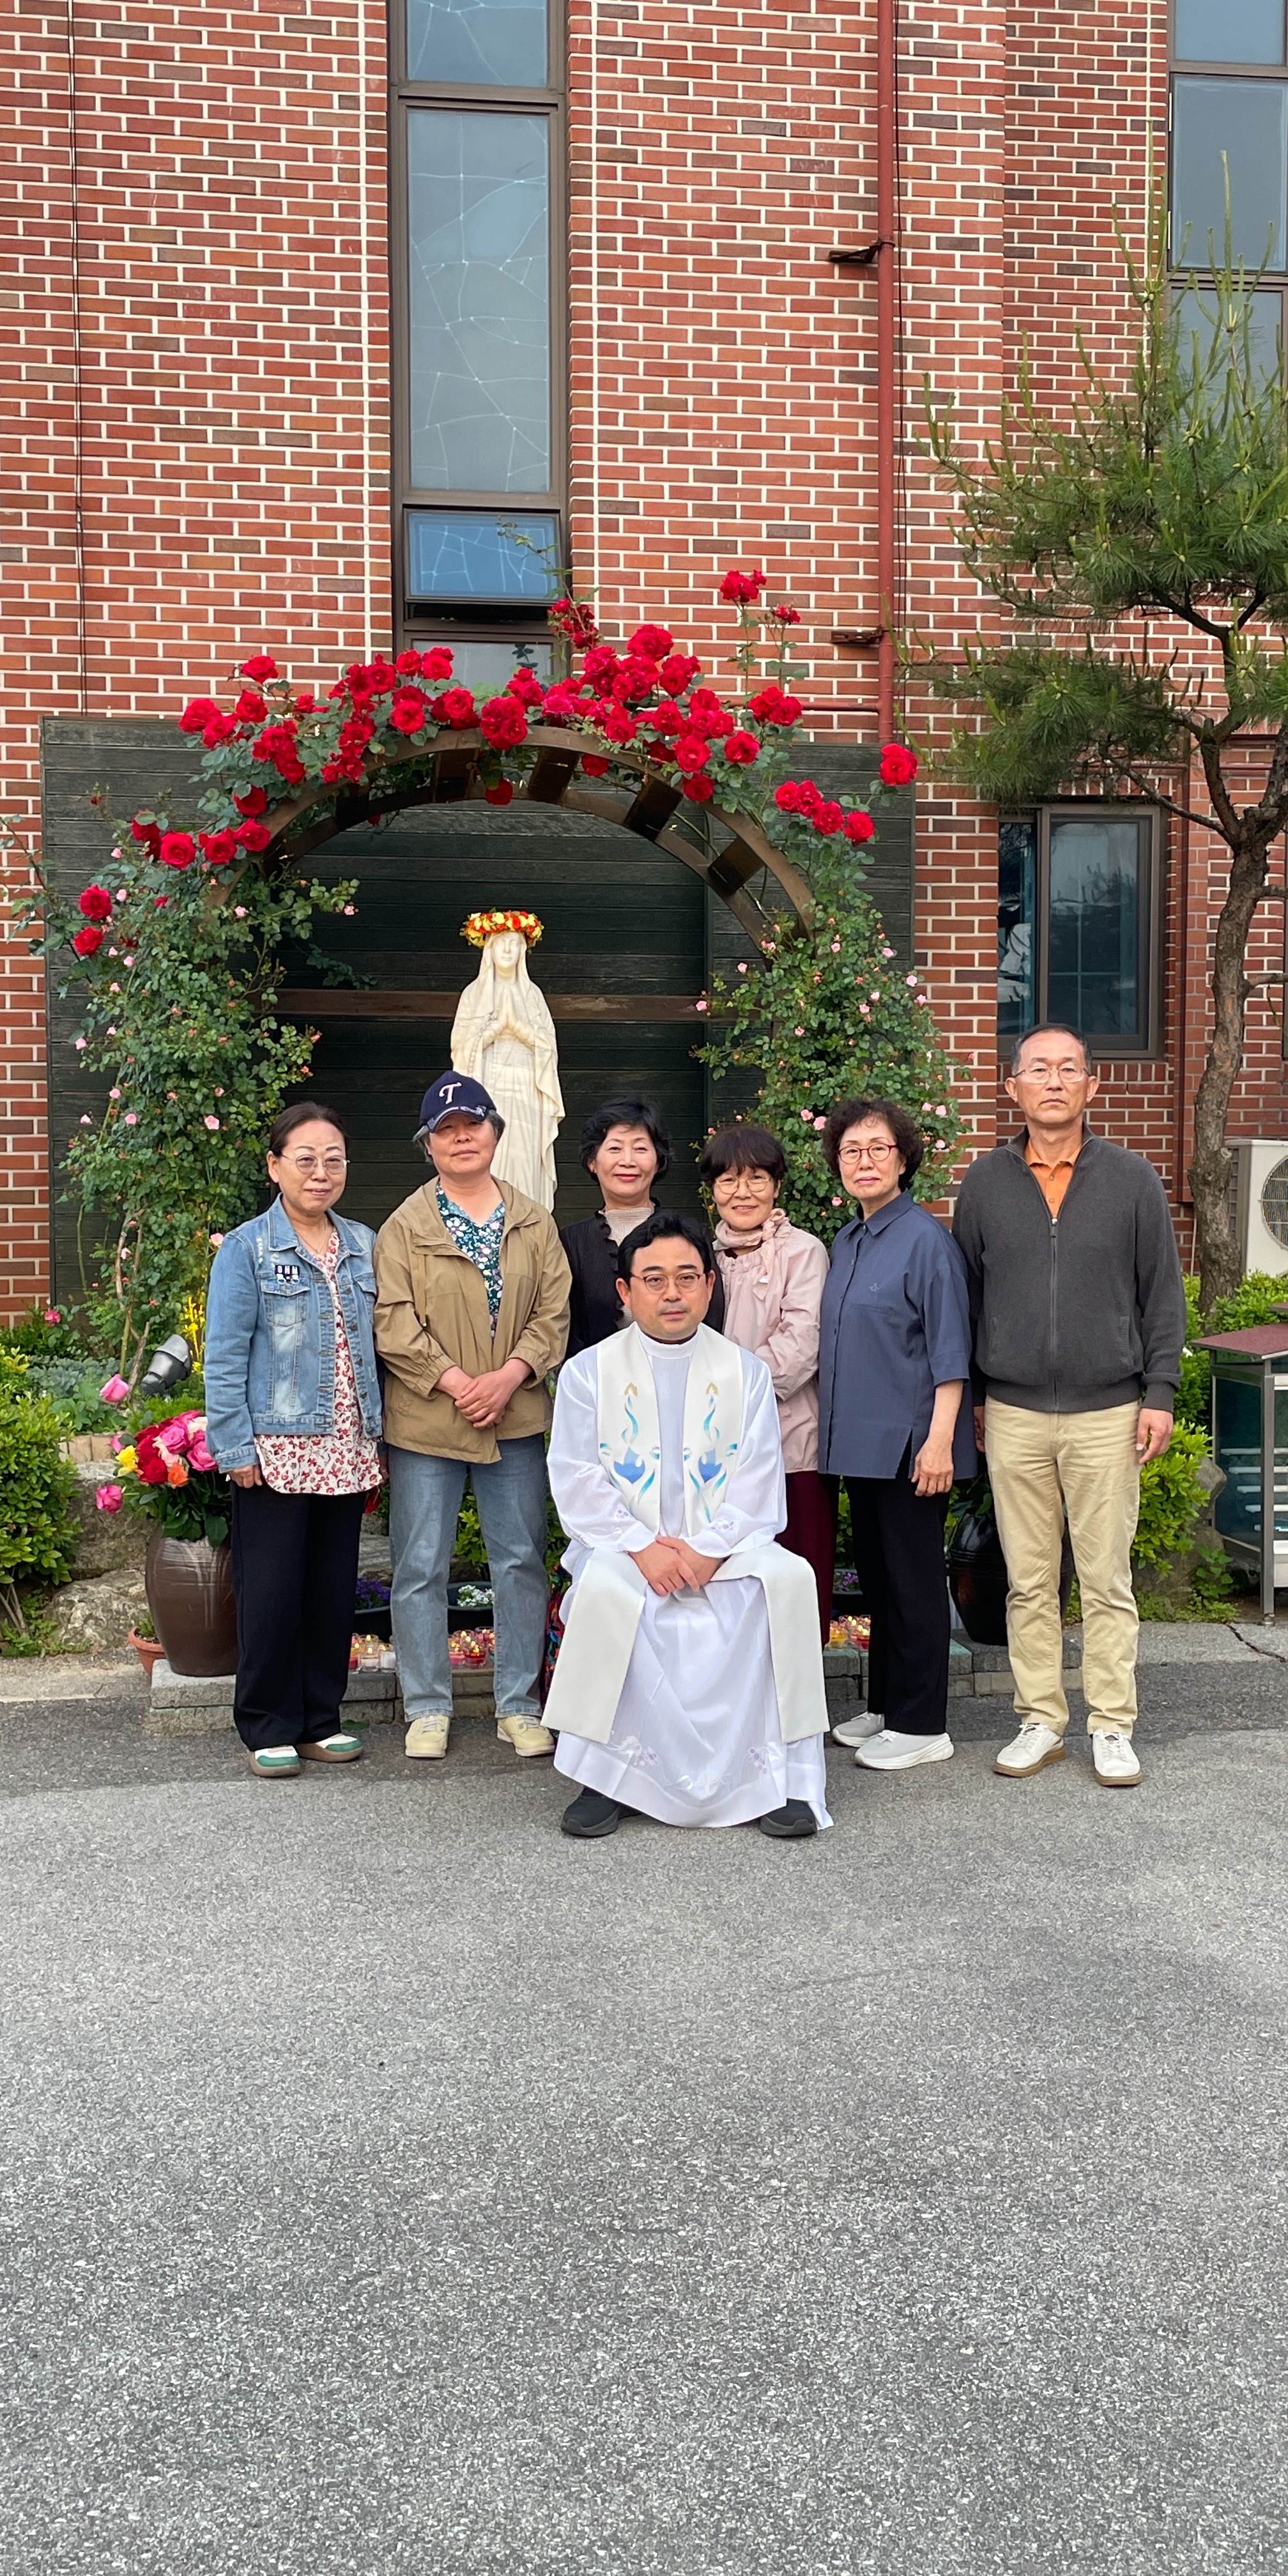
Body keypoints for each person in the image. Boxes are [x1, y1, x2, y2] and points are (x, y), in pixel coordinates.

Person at [544, 1211, 832, 1839]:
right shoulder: (588, 1373)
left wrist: (708, 1550)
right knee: (605, 1588)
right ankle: (607, 1778)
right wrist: (641, 1547)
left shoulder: (746, 1373)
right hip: (627, 1546)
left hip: (723, 1547)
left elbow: (759, 1476)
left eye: (686, 1277)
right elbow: (576, 1474)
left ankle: (780, 1779)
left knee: (786, 1579)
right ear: (625, 1291)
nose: (671, 1293)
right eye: (654, 1279)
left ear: (708, 1285)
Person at [953, 1022, 1186, 1789]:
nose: (1052, 1082)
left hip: (1108, 1412)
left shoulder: (1133, 1180)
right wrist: (977, 1396)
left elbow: (1163, 1296)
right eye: (1037, 1069)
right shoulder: (985, 1183)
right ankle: (1041, 1720)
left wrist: (1159, 1393)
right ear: (1012, 1087)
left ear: (1093, 1085)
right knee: (1028, 1579)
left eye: (1067, 1069)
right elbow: (969, 1299)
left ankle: (1112, 1725)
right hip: (1014, 1412)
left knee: (1105, 1579)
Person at [372, 1072, 571, 1762]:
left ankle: (519, 1705)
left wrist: (511, 1375)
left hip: (513, 1416)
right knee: (420, 1565)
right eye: (446, 1130)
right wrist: (456, 1382)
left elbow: (553, 1313)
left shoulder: (533, 1221)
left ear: (495, 1133)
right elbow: (393, 1320)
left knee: (519, 1561)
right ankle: (427, 1707)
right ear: (428, 1144)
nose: (462, 1138)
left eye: (473, 1125)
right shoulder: (405, 1226)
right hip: (428, 1420)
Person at [205, 1103, 381, 1779]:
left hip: (347, 1446)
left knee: (331, 1591)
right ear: (275, 1166)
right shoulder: (248, 1249)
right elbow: (225, 1355)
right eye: (305, 1160)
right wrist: (235, 1447)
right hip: (276, 1450)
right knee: (272, 1592)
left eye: (333, 1160)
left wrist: (380, 1436)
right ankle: (267, 1724)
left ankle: (319, 1719)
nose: (320, 1173)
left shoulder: (363, 1244)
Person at [818, 1097, 976, 1773]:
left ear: (904, 1159)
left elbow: (950, 1351)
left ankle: (922, 1724)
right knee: (880, 1583)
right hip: (859, 1447)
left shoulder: (926, 1241)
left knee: (913, 1585)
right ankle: (886, 1706)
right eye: (851, 1150)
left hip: (912, 1448)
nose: (865, 1161)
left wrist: (940, 1443)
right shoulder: (848, 1241)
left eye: (878, 1148)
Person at [702, 1121, 834, 1644]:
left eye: (757, 1178)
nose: (743, 1192)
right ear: (713, 1190)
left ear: (777, 1186)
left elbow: (800, 1345)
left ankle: (798, 1693)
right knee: (727, 1592)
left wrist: (720, 1392)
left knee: (794, 1585)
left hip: (790, 1445)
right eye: (728, 1180)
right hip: (714, 1453)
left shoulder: (803, 1252)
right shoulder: (700, 1256)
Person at [560, 1095, 725, 1354]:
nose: (628, 1161)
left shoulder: (689, 1235)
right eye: (615, 1149)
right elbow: (567, 1332)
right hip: (598, 1376)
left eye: (640, 1149)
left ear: (658, 1161)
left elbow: (710, 1319)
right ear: (593, 1161)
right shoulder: (571, 1243)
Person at [450, 912, 564, 1209]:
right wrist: (495, 1030)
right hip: (489, 1088)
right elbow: (460, 1049)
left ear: (523, 951)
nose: (508, 951)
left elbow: (548, 1048)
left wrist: (519, 1029)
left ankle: (528, 1215)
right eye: (502, 944)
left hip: (527, 1091)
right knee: (492, 1152)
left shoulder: (533, 996)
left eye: (514, 945)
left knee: (524, 1157)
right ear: (489, 949)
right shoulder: (473, 995)